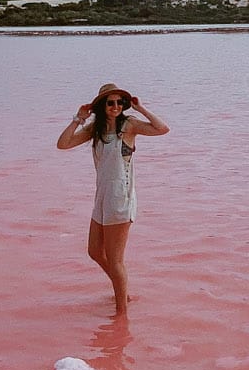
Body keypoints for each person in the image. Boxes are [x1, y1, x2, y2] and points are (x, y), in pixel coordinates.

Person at [56, 83, 169, 314]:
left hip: (120, 198)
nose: (116, 106)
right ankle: (122, 290)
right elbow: (63, 144)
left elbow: (162, 129)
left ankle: (121, 314)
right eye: (110, 103)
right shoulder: (94, 130)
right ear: (102, 106)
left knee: (116, 260)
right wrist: (79, 119)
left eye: (119, 102)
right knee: (95, 251)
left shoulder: (128, 126)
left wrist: (142, 109)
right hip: (102, 196)